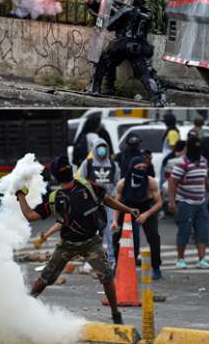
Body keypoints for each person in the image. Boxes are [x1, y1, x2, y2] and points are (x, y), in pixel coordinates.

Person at [15, 155, 140, 324]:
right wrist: (128, 210)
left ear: (54, 177)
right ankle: (116, 315)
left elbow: (30, 215)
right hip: (83, 244)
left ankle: (23, 307)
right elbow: (108, 200)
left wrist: (20, 194)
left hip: (78, 244)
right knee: (106, 279)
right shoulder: (86, 187)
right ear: (71, 171)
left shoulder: (56, 198)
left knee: (46, 279)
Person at [85, 0, 166, 106]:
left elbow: (111, 25)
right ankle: (157, 99)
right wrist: (96, 5)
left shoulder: (126, 9)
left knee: (104, 60)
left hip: (122, 44)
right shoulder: (147, 13)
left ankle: (95, 89)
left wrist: (116, 11)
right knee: (144, 74)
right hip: (139, 47)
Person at [168, 132, 209, 269]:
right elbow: (173, 183)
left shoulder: (203, 161)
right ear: (189, 149)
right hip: (185, 202)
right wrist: (172, 201)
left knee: (203, 231)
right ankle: (181, 259)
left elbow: (205, 178)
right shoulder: (182, 163)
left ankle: (201, 260)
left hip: (200, 202)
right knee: (184, 230)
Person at [112, 157, 163, 279]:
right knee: (119, 237)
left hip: (146, 208)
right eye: (138, 168)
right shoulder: (122, 183)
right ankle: (118, 266)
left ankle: (156, 267)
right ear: (131, 168)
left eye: (143, 168)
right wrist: (114, 221)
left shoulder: (151, 182)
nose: (141, 170)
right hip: (128, 208)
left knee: (154, 236)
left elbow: (160, 202)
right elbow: (116, 204)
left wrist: (146, 214)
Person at [79, 137, 121, 266]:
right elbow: (81, 180)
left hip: (108, 202)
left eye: (104, 147)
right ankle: (90, 259)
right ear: (95, 149)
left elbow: (117, 183)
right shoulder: (88, 163)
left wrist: (110, 195)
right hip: (92, 203)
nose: (102, 150)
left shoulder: (113, 165)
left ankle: (111, 259)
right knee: (92, 231)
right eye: (99, 147)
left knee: (109, 231)